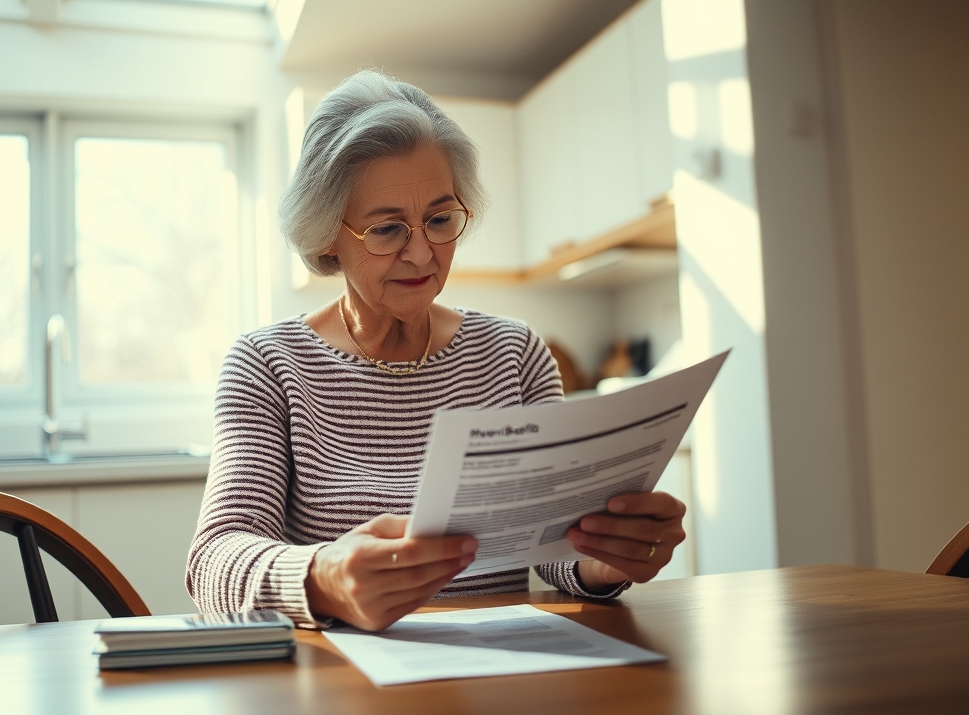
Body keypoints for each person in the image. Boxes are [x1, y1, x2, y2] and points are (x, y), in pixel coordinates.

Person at [186, 70, 686, 631]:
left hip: (503, 666)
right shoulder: (268, 365)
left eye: (440, 219)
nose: (422, 254)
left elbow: (553, 546)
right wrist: (323, 577)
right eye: (387, 229)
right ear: (327, 234)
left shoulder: (515, 353)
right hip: (341, 672)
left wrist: (600, 558)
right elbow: (213, 562)